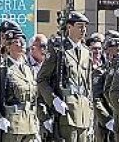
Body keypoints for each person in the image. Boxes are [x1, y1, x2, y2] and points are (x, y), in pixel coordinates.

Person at [36, 12, 93, 142]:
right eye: (79, 26)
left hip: (83, 113)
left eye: (84, 26)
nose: (83, 30)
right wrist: (54, 100)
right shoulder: (58, 50)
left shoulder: (86, 52)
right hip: (66, 112)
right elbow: (42, 79)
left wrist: (91, 115)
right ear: (69, 27)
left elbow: (88, 86)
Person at [0, 30, 39, 142]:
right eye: (16, 42)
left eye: (22, 41)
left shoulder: (29, 69)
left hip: (31, 124)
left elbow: (35, 98)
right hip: (12, 125)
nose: (21, 44)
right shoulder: (3, 69)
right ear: (8, 47)